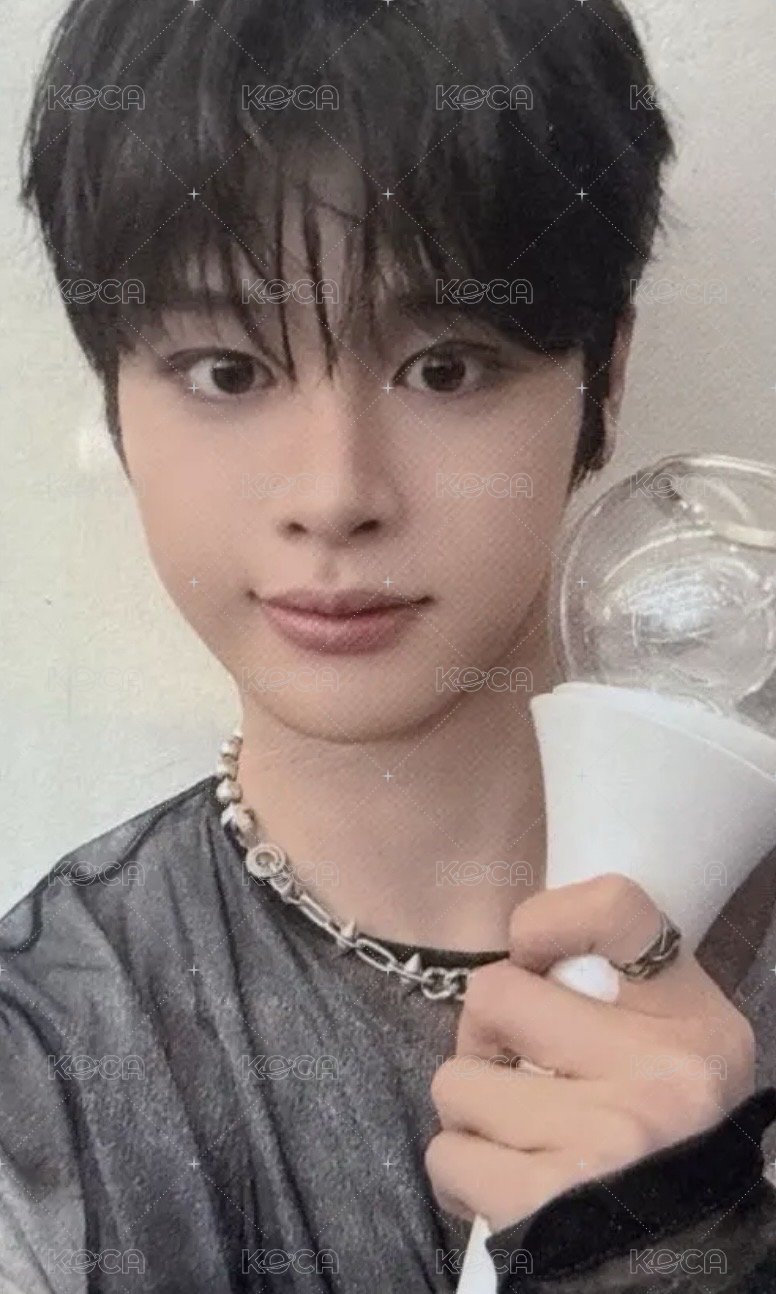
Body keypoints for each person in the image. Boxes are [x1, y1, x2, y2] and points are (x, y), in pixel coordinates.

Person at [6, 0, 776, 1289]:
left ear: (604, 375)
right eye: (227, 372)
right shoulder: (49, 1060)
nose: (334, 494)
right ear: (116, 405)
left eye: (447, 368)